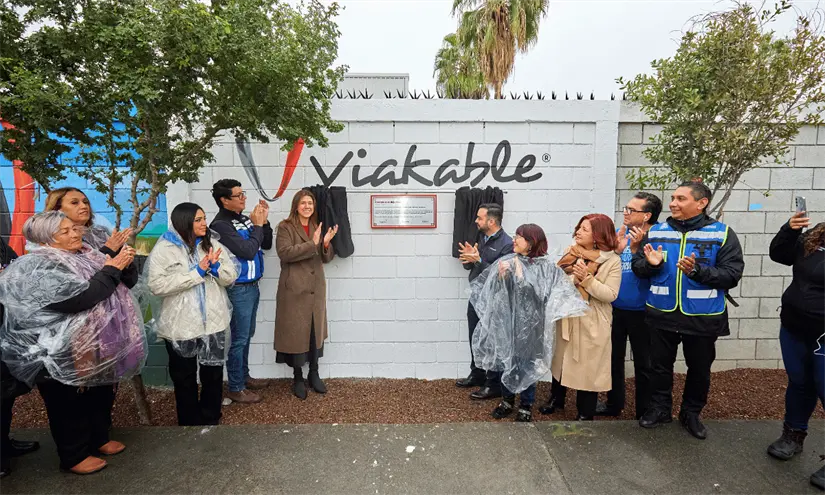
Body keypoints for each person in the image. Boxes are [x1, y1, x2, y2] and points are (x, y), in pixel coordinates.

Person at [0, 211, 146, 474]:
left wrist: (119, 261)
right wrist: (112, 268)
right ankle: (74, 454)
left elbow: (116, 281)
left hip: (95, 342)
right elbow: (78, 299)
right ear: (44, 239)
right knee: (67, 400)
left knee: (98, 391)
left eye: (74, 229)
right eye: (64, 232)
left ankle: (99, 438)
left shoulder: (84, 254)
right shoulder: (38, 266)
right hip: (58, 347)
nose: (75, 234)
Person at [632, 181, 744, 440]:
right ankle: (660, 409)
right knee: (659, 367)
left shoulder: (722, 234)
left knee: (699, 369)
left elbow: (731, 274)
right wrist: (652, 265)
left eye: (681, 199)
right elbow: (639, 268)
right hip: (661, 313)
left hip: (703, 316)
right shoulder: (656, 232)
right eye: (673, 198)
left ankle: (691, 413)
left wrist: (697, 271)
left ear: (701, 203)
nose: (673, 203)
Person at [470, 224, 588, 423]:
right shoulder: (508, 261)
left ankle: (526, 404)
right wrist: (502, 277)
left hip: (533, 327)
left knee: (527, 365)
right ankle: (507, 401)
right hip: (508, 323)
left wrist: (520, 275)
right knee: (507, 360)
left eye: (519, 237)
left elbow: (543, 297)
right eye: (515, 235)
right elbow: (498, 294)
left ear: (531, 242)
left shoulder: (546, 267)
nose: (514, 240)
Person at [146, 203, 238, 426]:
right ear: (184, 221)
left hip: (214, 322)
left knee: (213, 373)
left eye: (204, 218)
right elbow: (156, 286)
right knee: (184, 377)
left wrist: (215, 269)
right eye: (198, 220)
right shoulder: (165, 249)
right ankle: (188, 422)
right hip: (180, 326)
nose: (204, 223)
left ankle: (210, 417)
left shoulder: (212, 244)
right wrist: (196, 273)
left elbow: (231, 276)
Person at [539, 214, 621, 420]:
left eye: (584, 229)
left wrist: (586, 279)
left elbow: (610, 294)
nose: (578, 232)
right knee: (561, 360)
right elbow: (557, 281)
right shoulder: (571, 253)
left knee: (588, 367)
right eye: (579, 228)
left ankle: (585, 412)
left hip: (592, 320)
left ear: (598, 235)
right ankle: (556, 399)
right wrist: (570, 279)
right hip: (567, 316)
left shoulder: (612, 261)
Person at [765, 210, 825, 490]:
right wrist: (789, 229)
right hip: (794, 326)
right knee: (799, 383)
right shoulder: (815, 236)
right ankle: (793, 435)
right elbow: (779, 254)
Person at [597, 192, 663, 418]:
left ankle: (644, 410)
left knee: (645, 363)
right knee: (613, 358)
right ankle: (613, 403)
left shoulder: (659, 236)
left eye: (631, 210)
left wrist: (639, 245)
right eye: (626, 208)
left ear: (647, 216)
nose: (625, 212)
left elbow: (656, 269)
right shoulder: (620, 233)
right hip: (616, 308)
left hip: (644, 312)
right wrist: (615, 251)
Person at [210, 179, 274, 405]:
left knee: (246, 335)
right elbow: (247, 251)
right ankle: (236, 387)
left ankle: (244, 377)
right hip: (238, 289)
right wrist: (257, 226)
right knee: (239, 338)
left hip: (252, 286)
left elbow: (266, 244)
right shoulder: (221, 226)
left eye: (243, 193)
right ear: (224, 200)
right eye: (238, 195)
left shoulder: (244, 220)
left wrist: (264, 222)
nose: (244, 198)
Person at [275, 190, 337, 400]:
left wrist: (325, 244)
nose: (307, 206)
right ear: (296, 205)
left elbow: (325, 258)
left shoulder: (316, 225)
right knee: (296, 334)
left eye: (310, 203)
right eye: (303, 203)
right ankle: (298, 378)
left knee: (314, 332)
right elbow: (285, 253)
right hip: (294, 289)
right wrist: (313, 244)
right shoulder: (285, 227)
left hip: (315, 288)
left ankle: (314, 373)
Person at [455, 203, 514, 401]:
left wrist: (479, 260)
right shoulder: (482, 238)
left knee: (492, 341)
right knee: (475, 336)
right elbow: (475, 267)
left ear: (491, 221)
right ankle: (477, 373)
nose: (476, 221)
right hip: (476, 296)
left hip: (494, 301)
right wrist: (469, 260)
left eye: (480, 218)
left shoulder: (507, 244)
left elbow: (501, 275)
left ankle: (493, 384)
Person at [0, 236, 38, 478]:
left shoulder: (1, 246)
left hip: (6, 329)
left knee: (5, 395)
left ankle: (4, 443)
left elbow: (16, 270)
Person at [45, 187, 132, 254]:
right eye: (74, 203)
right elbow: (79, 268)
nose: (84, 206)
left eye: (85, 202)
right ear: (57, 209)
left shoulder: (101, 232)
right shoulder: (51, 238)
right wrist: (109, 249)